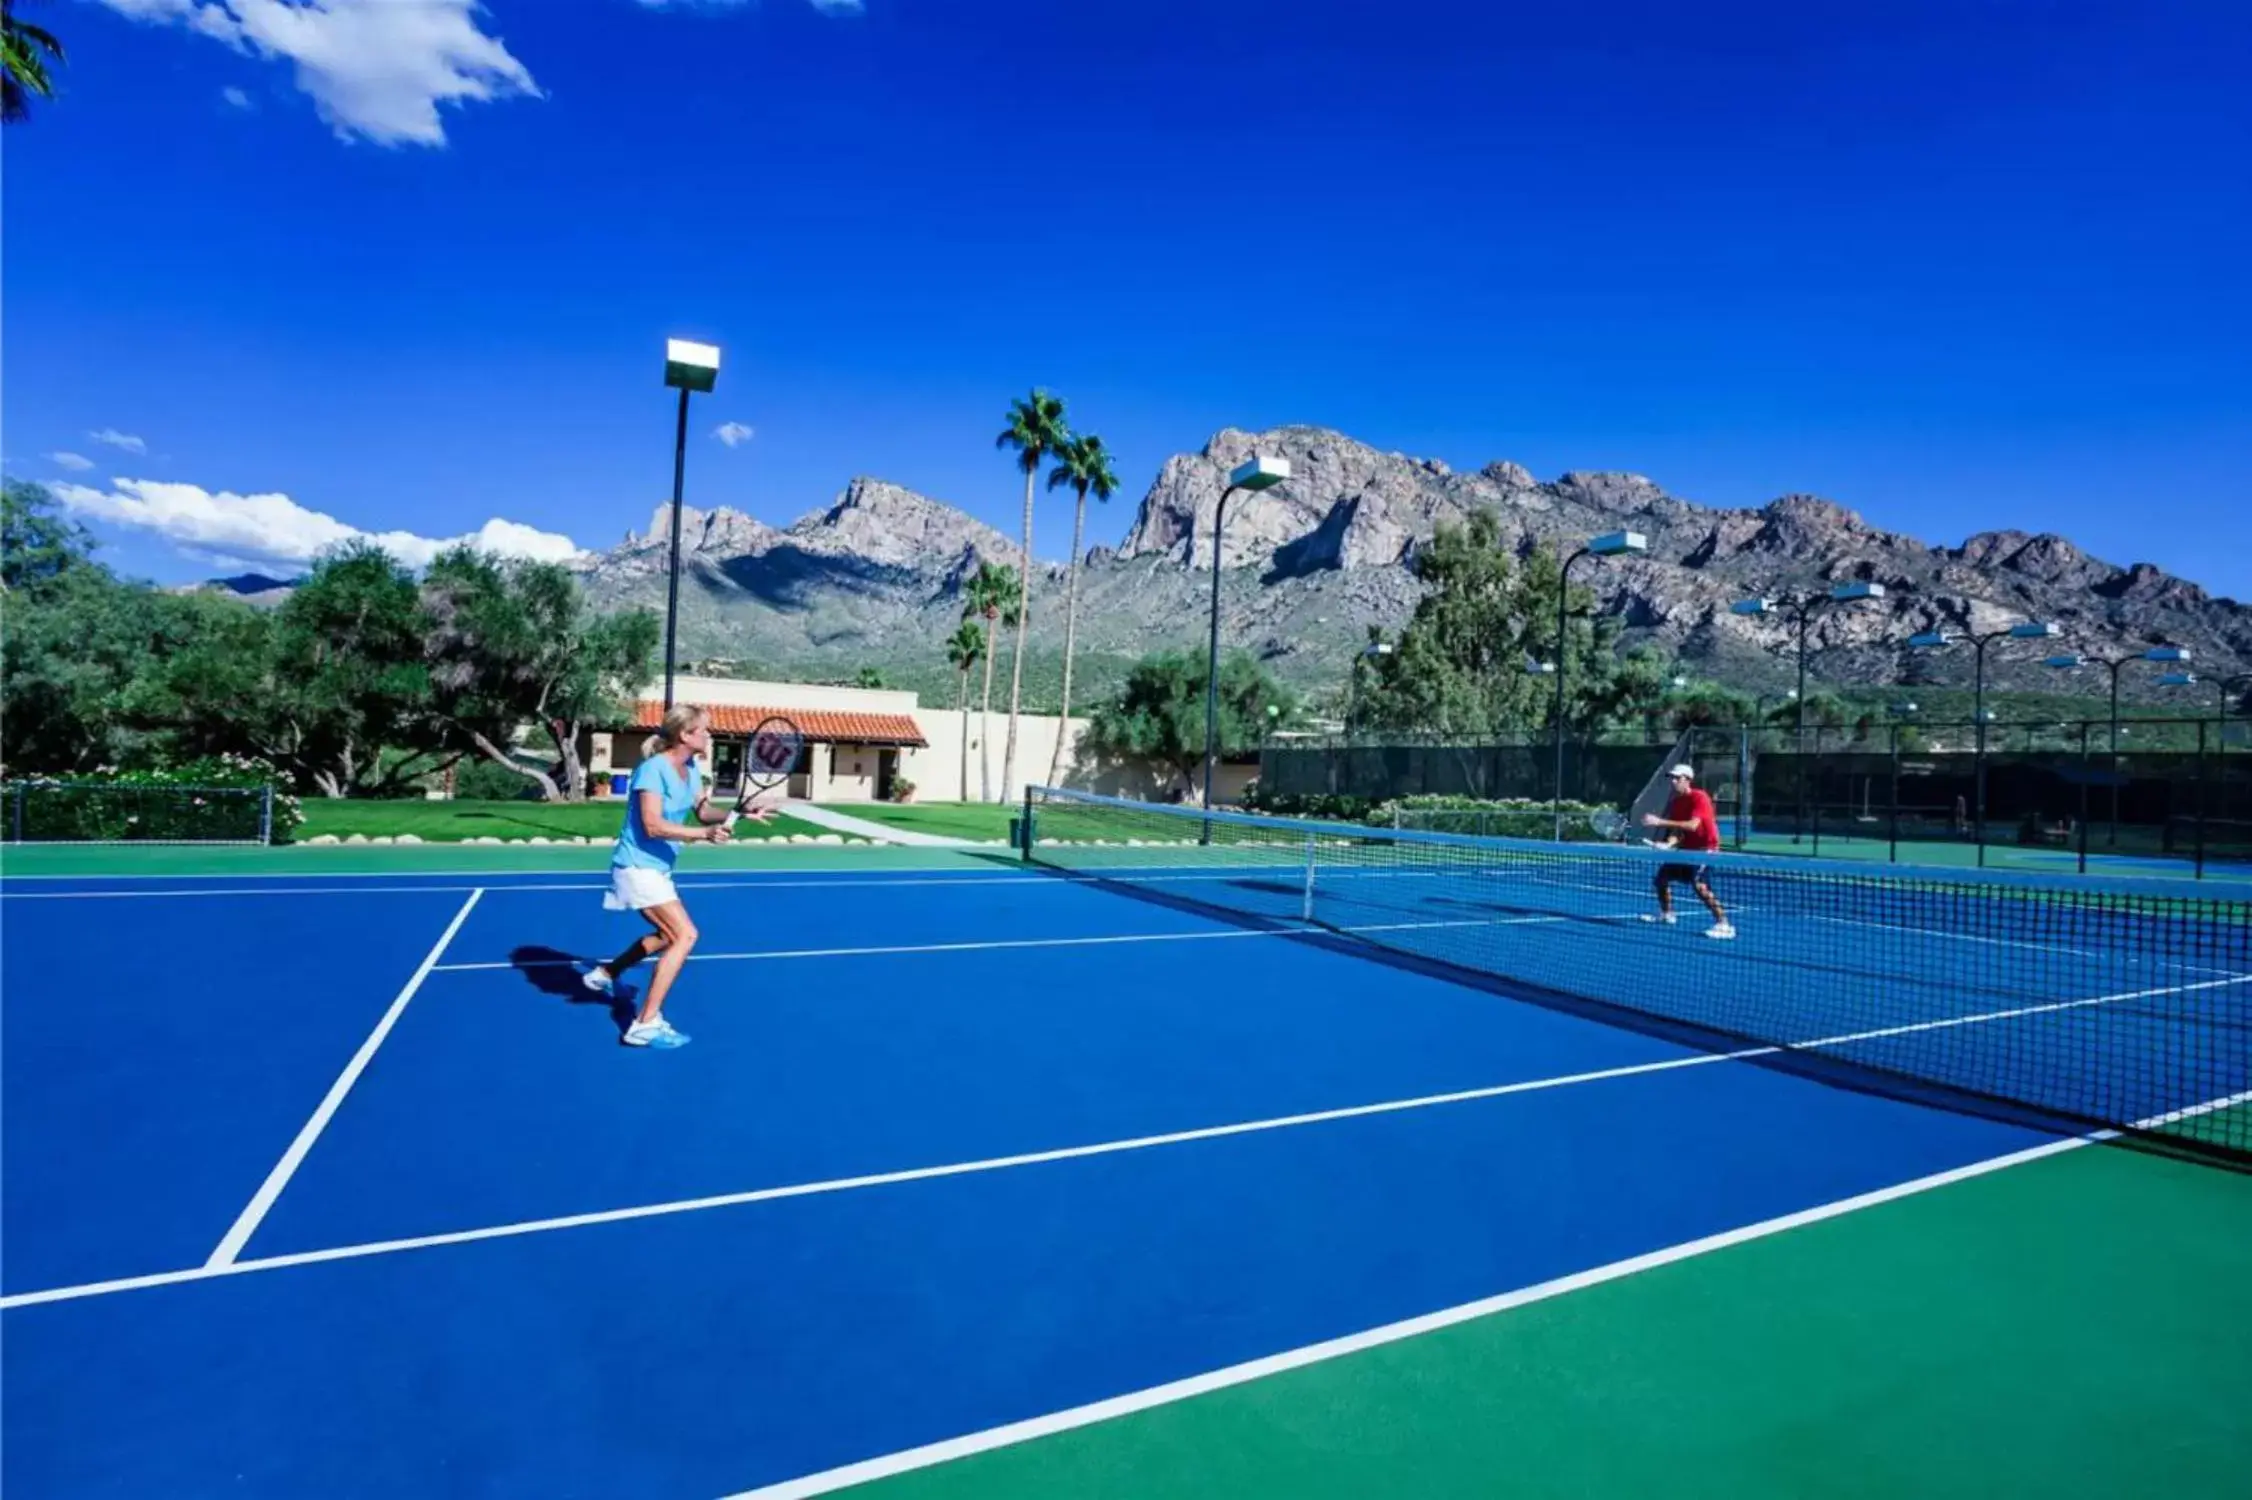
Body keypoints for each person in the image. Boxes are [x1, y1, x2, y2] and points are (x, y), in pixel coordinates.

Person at [582, 703, 769, 1048]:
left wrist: (737, 813)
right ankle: (644, 1023)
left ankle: (605, 973)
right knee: (685, 935)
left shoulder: (691, 768)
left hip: (658, 868)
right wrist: (704, 836)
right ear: (685, 735)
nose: (710, 735)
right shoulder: (653, 770)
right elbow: (652, 826)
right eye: (705, 730)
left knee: (666, 935)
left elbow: (701, 811)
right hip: (637, 867)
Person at [1640, 763, 1735, 940]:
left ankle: (1724, 924)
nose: (1674, 781)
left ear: (1688, 780)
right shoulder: (1676, 802)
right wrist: (1668, 844)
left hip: (1706, 849)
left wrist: (1659, 822)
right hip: (1686, 849)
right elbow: (1678, 832)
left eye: (1678, 778)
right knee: (1661, 880)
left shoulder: (1700, 797)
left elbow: (1692, 825)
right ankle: (1667, 914)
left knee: (1700, 886)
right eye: (1672, 778)